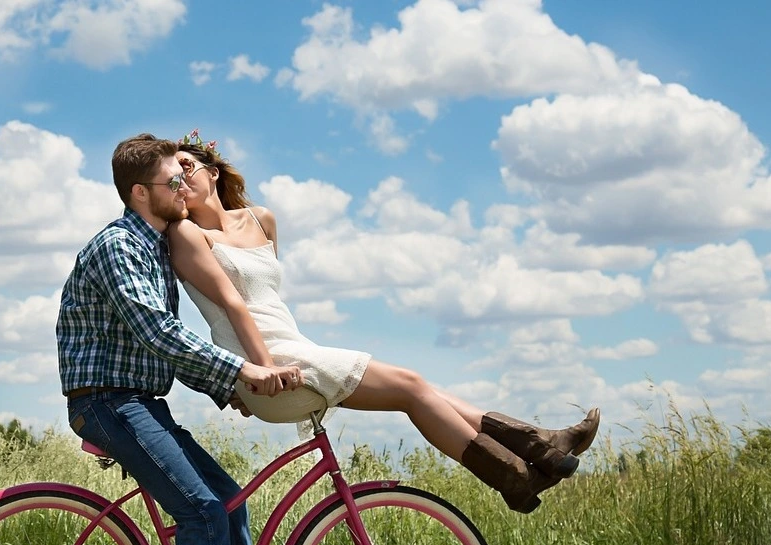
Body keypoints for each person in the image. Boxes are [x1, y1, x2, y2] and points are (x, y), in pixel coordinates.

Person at [168, 133, 600, 514]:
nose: (179, 179)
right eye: (170, 177)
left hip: (291, 348)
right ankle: (521, 469)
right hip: (267, 365)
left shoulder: (262, 220)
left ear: (213, 171)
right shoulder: (187, 235)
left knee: (418, 388)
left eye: (186, 167)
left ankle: (537, 451)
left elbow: (269, 301)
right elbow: (233, 306)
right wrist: (256, 372)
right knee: (412, 388)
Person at [55, 133, 308, 545]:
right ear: (142, 192)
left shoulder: (154, 248)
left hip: (140, 400)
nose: (184, 189)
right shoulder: (120, 246)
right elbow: (158, 332)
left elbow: (161, 348)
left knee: (230, 501)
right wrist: (243, 372)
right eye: (175, 181)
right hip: (106, 402)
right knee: (202, 513)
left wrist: (227, 389)